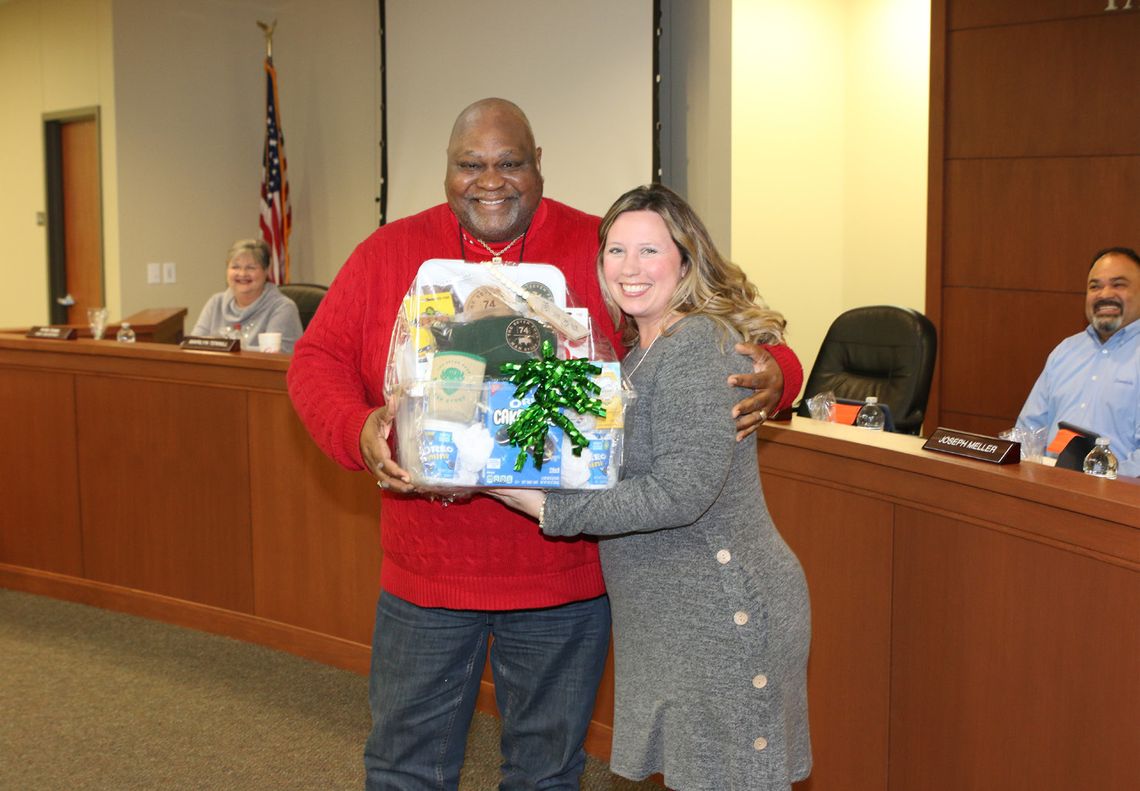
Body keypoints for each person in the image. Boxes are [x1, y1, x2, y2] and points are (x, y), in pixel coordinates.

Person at [286, 98, 803, 789]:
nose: (490, 180)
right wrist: (358, 430)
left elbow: (720, 328)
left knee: (546, 773)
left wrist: (782, 373)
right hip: (426, 577)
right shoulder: (386, 254)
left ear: (538, 165)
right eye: (471, 164)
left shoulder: (604, 250)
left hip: (563, 578)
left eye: (509, 163)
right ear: (446, 171)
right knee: (403, 765)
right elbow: (313, 362)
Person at [490, 184, 811, 790]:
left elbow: (679, 493)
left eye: (649, 251)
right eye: (616, 251)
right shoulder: (641, 352)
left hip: (722, 605)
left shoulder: (695, 345)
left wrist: (549, 507)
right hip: (672, 614)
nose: (629, 269)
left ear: (686, 261)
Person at [1016, 246, 1140, 476]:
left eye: (1118, 284)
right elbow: (1028, 430)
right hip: (1048, 486)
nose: (1104, 294)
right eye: (1095, 286)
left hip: (1119, 500)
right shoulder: (1065, 351)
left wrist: (1099, 484)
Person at [189, 238, 303, 352]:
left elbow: (277, 358)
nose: (242, 274)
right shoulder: (215, 303)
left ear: (267, 270)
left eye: (251, 268)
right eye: (235, 267)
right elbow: (193, 347)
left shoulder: (282, 308)